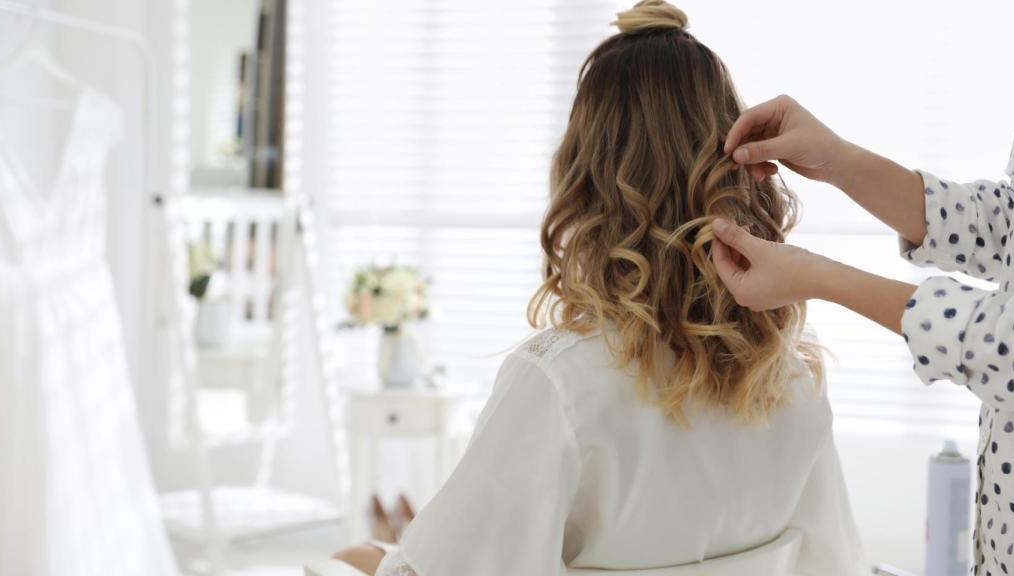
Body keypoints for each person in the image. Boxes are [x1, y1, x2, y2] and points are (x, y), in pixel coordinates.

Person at [333, 2, 865, 574]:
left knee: (352, 555)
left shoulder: (560, 382)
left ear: (583, 178)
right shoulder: (792, 380)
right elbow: (836, 562)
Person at [710, 92, 1014, 574]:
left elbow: (1008, 347)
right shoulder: (792, 385)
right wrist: (840, 160)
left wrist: (819, 275)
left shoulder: (558, 385)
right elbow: (1006, 222)